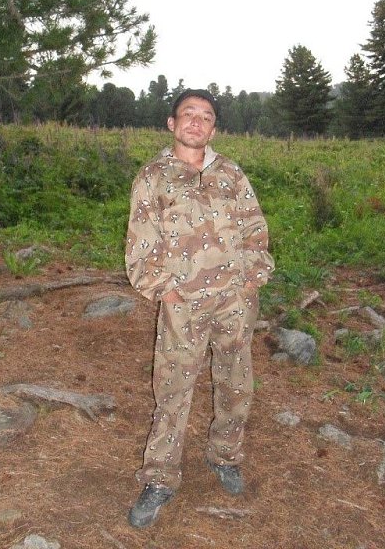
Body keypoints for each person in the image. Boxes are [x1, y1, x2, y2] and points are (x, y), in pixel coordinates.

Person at [125, 89, 274, 528]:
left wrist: (252, 277)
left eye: (206, 116)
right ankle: (160, 479)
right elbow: (140, 244)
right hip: (183, 306)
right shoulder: (153, 177)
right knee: (173, 392)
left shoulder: (231, 173)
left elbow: (255, 228)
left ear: (213, 129)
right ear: (172, 124)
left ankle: (225, 455)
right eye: (188, 114)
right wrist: (165, 292)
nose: (196, 121)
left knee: (235, 384)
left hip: (235, 302)